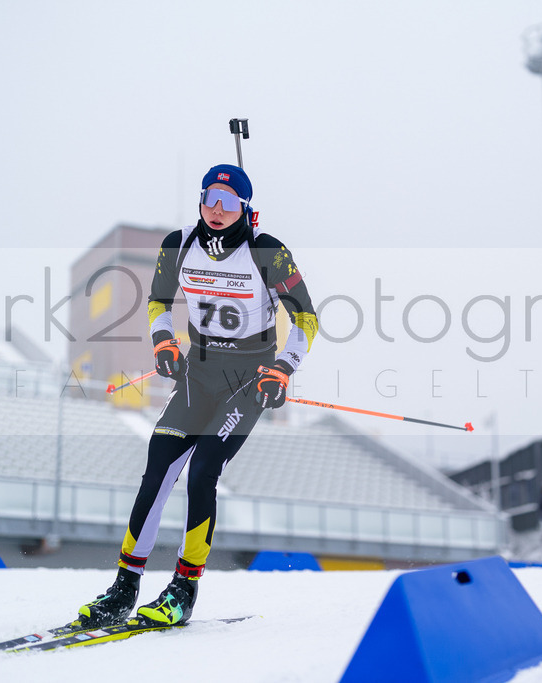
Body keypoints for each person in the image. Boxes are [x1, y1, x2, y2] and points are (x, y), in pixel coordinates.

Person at [76, 163, 318, 627]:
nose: (216, 210)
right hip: (199, 371)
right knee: (158, 466)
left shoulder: (267, 251)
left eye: (228, 203)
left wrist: (284, 368)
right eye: (209, 199)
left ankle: (183, 591)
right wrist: (163, 341)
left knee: (204, 470)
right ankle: (124, 587)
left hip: (248, 379)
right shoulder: (179, 244)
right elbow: (158, 301)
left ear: (246, 209)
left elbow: (306, 317)